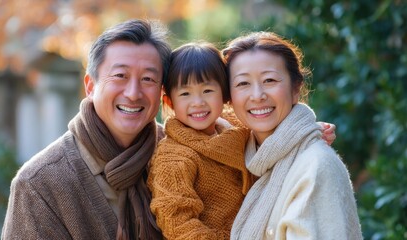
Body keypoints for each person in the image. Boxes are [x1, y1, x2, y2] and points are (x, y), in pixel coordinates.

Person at [147, 42, 337, 239]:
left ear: (225, 94)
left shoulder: (237, 128)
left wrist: (303, 131)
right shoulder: (173, 157)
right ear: (169, 101)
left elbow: (273, 140)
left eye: (207, 91)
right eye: (185, 94)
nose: (198, 103)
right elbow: (176, 221)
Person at [2, 19, 171, 240]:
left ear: (160, 92)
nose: (133, 93)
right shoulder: (39, 184)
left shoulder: (177, 154)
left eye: (148, 79)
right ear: (90, 86)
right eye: (120, 75)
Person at [222, 31, 362, 239]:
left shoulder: (315, 166)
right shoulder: (246, 164)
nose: (257, 95)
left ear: (296, 89)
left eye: (269, 80)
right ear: (229, 99)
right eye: (243, 83)